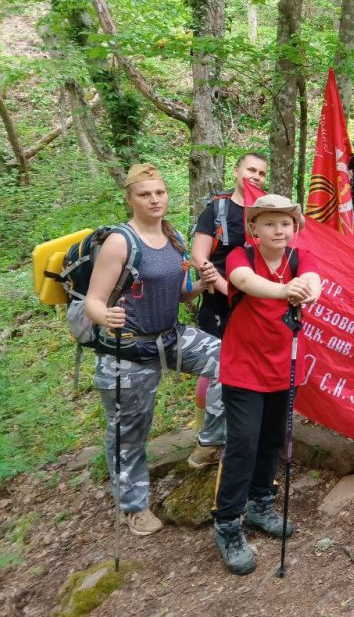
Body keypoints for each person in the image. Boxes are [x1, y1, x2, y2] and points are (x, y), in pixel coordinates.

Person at [84, 163, 225, 537]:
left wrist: (200, 286)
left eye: (159, 192)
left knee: (230, 360)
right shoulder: (120, 242)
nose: (154, 199)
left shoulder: (173, 235)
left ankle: (209, 442)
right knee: (129, 433)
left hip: (171, 336)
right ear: (130, 199)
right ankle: (134, 507)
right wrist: (105, 316)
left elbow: (178, 294)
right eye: (145, 194)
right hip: (127, 350)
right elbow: (93, 300)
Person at [212, 194, 321, 575]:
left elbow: (314, 283)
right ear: (254, 228)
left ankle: (260, 503)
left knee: (273, 437)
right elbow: (243, 281)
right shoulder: (240, 256)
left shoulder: (300, 259)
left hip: (284, 364)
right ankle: (228, 522)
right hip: (243, 366)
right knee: (243, 441)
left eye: (285, 223)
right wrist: (286, 290)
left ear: (295, 228)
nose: (278, 230)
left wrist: (306, 288)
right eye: (269, 223)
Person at [191, 152, 268, 339]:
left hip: (260, 305)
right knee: (218, 357)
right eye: (251, 170)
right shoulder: (216, 210)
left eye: (262, 173)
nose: (256, 176)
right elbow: (198, 258)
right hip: (218, 305)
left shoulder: (271, 211)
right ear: (236, 171)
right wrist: (231, 291)